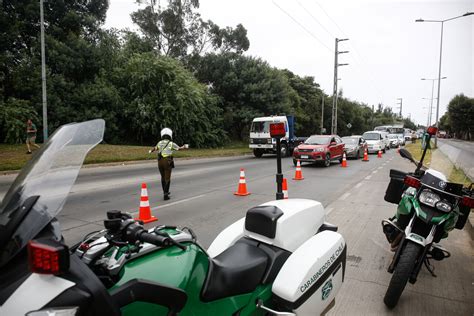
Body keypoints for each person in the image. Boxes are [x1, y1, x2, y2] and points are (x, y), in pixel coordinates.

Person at [149, 128, 188, 200]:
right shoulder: (171, 143)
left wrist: (150, 151)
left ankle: (165, 191)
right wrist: (185, 146)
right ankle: (166, 195)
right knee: (167, 178)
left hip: (159, 161)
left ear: (162, 135)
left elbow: (155, 148)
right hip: (167, 161)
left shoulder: (160, 142)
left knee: (162, 177)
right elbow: (179, 148)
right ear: (170, 136)